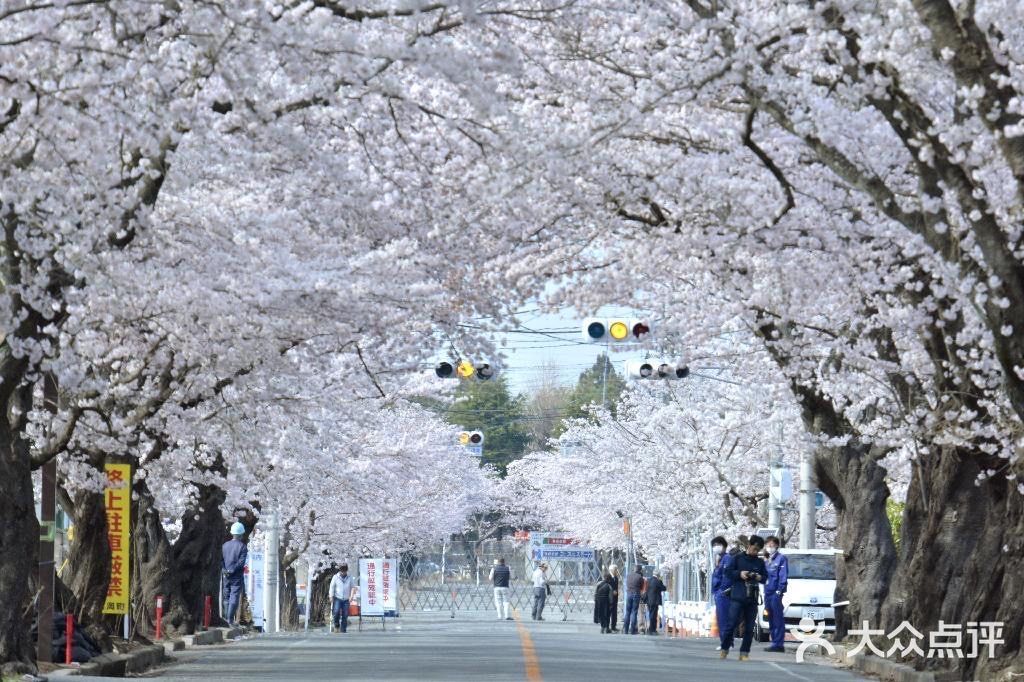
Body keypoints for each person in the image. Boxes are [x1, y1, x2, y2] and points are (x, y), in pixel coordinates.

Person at [721, 535, 768, 661]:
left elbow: (765, 577)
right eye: (754, 548)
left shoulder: (760, 562)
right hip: (737, 596)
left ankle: (744, 652)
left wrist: (759, 577)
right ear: (749, 545)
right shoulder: (737, 558)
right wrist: (739, 574)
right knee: (731, 625)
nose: (755, 551)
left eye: (758, 550)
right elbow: (727, 572)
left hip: (752, 598)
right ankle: (724, 648)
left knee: (749, 627)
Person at [763, 536, 789, 653]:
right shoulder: (767, 560)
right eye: (768, 545)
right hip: (767, 592)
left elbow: (783, 576)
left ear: (777, 546)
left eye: (772, 545)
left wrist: (780, 590)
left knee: (777, 618)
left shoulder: (781, 559)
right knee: (771, 618)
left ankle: (779, 643)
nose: (770, 547)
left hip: (775, 592)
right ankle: (774, 642)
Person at [221, 521, 247, 625]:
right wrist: (232, 570)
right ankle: (230, 620)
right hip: (236, 575)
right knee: (234, 595)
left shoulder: (225, 545)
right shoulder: (242, 547)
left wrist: (224, 570)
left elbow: (221, 560)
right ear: (241, 534)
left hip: (225, 575)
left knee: (226, 595)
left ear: (232, 533)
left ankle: (226, 619)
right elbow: (241, 563)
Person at [710, 536, 733, 651]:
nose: (716, 547)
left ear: (724, 546)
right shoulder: (720, 559)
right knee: (721, 619)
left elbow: (727, 577)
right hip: (719, 593)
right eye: (714, 546)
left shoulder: (727, 559)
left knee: (724, 619)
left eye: (718, 545)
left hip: (724, 593)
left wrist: (722, 590)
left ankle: (726, 643)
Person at [329, 564, 357, 633]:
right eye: (342, 571)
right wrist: (331, 596)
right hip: (337, 598)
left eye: (344, 571)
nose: (343, 573)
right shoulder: (335, 577)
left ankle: (343, 629)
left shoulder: (349, 577)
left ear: (346, 571)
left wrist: (351, 596)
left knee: (345, 614)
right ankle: (336, 626)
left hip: (346, 599)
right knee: (336, 612)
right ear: (340, 570)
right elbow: (332, 587)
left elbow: (353, 587)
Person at [623, 565, 643, 635]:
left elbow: (626, 584)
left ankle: (625, 630)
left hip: (628, 594)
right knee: (634, 612)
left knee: (627, 612)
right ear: (640, 570)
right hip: (636, 594)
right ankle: (632, 630)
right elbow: (641, 587)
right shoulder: (640, 577)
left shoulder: (628, 575)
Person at [645, 570, 666, 635]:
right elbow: (664, 588)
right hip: (655, 601)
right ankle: (652, 629)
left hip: (648, 600)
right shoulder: (658, 581)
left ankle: (650, 629)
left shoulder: (648, 580)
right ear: (658, 575)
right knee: (653, 615)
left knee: (651, 614)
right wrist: (661, 581)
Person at [607, 564, 621, 632]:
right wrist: (612, 591)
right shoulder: (608, 577)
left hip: (615, 598)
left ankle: (613, 626)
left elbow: (616, 587)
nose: (617, 571)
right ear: (611, 570)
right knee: (608, 612)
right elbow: (607, 587)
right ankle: (606, 626)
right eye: (615, 570)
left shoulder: (616, 578)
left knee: (614, 613)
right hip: (609, 598)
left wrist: (617, 592)